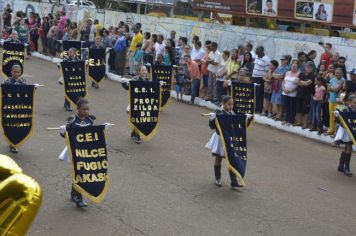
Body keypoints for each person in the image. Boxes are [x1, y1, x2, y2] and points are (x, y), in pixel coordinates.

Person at [60, 98, 94, 208]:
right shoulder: (72, 121)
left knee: (82, 173)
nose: (86, 111)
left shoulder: (90, 120)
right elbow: (65, 135)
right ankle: (79, 198)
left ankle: (74, 192)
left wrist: (102, 128)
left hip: (87, 151)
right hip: (75, 150)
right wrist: (63, 131)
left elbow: (92, 134)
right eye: (84, 109)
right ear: (78, 109)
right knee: (80, 173)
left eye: (88, 109)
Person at [206, 96, 242, 189]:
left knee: (231, 159)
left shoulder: (233, 113)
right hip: (220, 139)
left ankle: (234, 181)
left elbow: (237, 125)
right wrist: (212, 119)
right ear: (223, 103)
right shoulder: (218, 112)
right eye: (229, 104)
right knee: (219, 158)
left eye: (232, 104)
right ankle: (217, 178)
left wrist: (245, 118)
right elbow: (212, 127)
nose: (231, 106)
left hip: (229, 139)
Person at [122, 66, 150, 144]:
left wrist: (159, 84)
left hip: (144, 103)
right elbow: (128, 87)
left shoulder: (148, 80)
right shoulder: (135, 79)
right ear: (139, 72)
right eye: (142, 70)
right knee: (138, 119)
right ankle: (137, 136)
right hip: (135, 103)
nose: (144, 72)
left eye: (145, 70)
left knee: (141, 120)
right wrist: (124, 83)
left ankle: (134, 133)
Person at [3, 64, 27, 153]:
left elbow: (26, 93)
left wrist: (33, 89)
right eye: (14, 72)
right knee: (10, 125)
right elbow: (4, 92)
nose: (16, 74)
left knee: (17, 125)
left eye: (18, 72)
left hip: (19, 108)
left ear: (20, 72)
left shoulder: (23, 81)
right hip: (9, 107)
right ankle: (12, 143)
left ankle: (14, 143)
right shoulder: (7, 81)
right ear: (11, 72)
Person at [334, 95, 356, 176]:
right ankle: (346, 168)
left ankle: (341, 165)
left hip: (353, 131)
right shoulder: (345, 110)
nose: (355, 104)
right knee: (349, 147)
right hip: (346, 131)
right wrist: (337, 116)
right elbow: (338, 120)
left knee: (347, 147)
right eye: (354, 103)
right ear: (349, 102)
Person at [295, 62, 315, 128]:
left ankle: (305, 123)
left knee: (306, 110)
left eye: (310, 67)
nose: (308, 68)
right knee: (298, 108)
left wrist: (301, 82)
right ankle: (299, 122)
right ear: (305, 67)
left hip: (307, 95)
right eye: (307, 67)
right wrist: (303, 82)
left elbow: (307, 84)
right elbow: (296, 81)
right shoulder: (301, 74)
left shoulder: (313, 75)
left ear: (312, 68)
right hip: (299, 93)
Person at [327, 68, 345, 135]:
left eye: (339, 73)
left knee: (337, 117)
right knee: (331, 115)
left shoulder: (343, 80)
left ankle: (336, 132)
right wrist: (334, 89)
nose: (337, 74)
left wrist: (333, 89)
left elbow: (336, 90)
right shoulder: (332, 79)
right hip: (331, 100)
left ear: (342, 74)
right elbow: (328, 89)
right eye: (336, 72)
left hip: (338, 102)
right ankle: (331, 129)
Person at [252, 46, 270, 113]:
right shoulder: (256, 57)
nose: (256, 50)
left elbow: (266, 70)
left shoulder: (266, 59)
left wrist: (264, 79)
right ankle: (255, 107)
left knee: (259, 94)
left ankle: (259, 109)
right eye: (256, 49)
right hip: (254, 77)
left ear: (262, 50)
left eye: (257, 49)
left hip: (260, 79)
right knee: (254, 93)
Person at [271, 55, 290, 120]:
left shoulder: (287, 68)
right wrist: (277, 76)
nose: (282, 61)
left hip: (281, 85)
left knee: (280, 101)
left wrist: (277, 76)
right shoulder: (279, 67)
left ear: (287, 60)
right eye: (281, 59)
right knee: (276, 100)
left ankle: (280, 114)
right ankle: (277, 113)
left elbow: (282, 76)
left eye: (283, 60)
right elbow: (273, 74)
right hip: (276, 85)